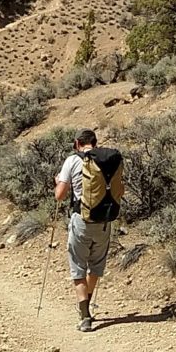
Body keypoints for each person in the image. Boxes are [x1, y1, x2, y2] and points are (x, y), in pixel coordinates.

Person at [53, 129, 125, 332]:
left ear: (77, 143)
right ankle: (87, 303)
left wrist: (58, 182)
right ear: (95, 142)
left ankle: (85, 315)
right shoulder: (109, 160)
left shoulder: (72, 161)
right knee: (96, 265)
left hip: (81, 221)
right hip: (105, 221)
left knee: (78, 267)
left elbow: (59, 195)